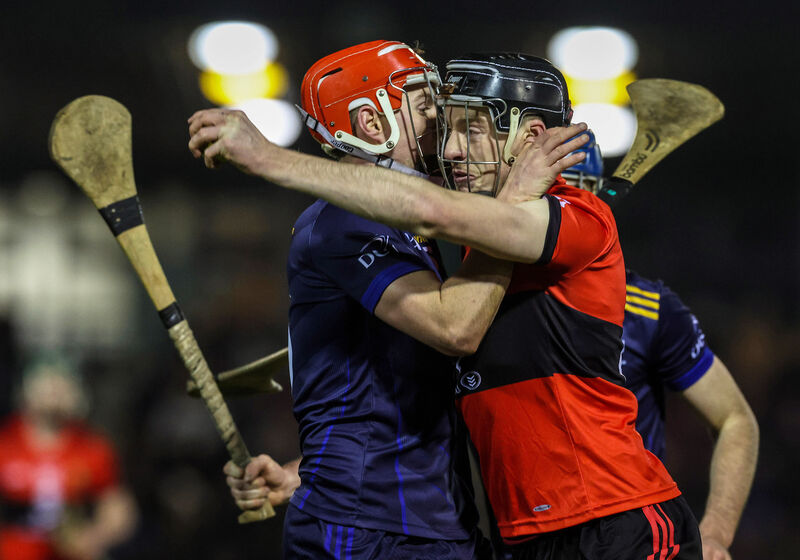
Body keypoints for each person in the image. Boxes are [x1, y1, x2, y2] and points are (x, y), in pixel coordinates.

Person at [190, 48, 704, 558]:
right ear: (370, 121)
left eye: (469, 130)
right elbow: (407, 387)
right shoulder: (448, 241)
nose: (450, 147)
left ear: (528, 139)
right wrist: (309, 472)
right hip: (505, 533)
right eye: (435, 117)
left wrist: (268, 159)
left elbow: (439, 234)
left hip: (607, 520)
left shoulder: (564, 214)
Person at [562, 133, 759, 560]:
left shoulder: (647, 308)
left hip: (628, 538)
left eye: (574, 193)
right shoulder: (487, 299)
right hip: (523, 537)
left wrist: (717, 535)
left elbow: (735, 419)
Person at [0, 354, 138, 560]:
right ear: (26, 391)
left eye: (63, 383)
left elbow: (118, 509)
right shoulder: (5, 443)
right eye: (46, 382)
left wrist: (92, 536)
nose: (55, 391)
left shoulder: (93, 447)